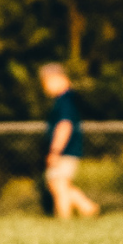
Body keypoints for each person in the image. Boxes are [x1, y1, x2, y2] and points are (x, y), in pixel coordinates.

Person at [39, 63, 99, 219]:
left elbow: (64, 126)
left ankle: (65, 221)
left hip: (65, 149)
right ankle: (88, 207)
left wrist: (55, 151)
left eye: (46, 82)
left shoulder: (65, 100)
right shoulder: (68, 99)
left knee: (59, 185)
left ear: (57, 78)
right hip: (69, 149)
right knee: (57, 184)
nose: (45, 88)